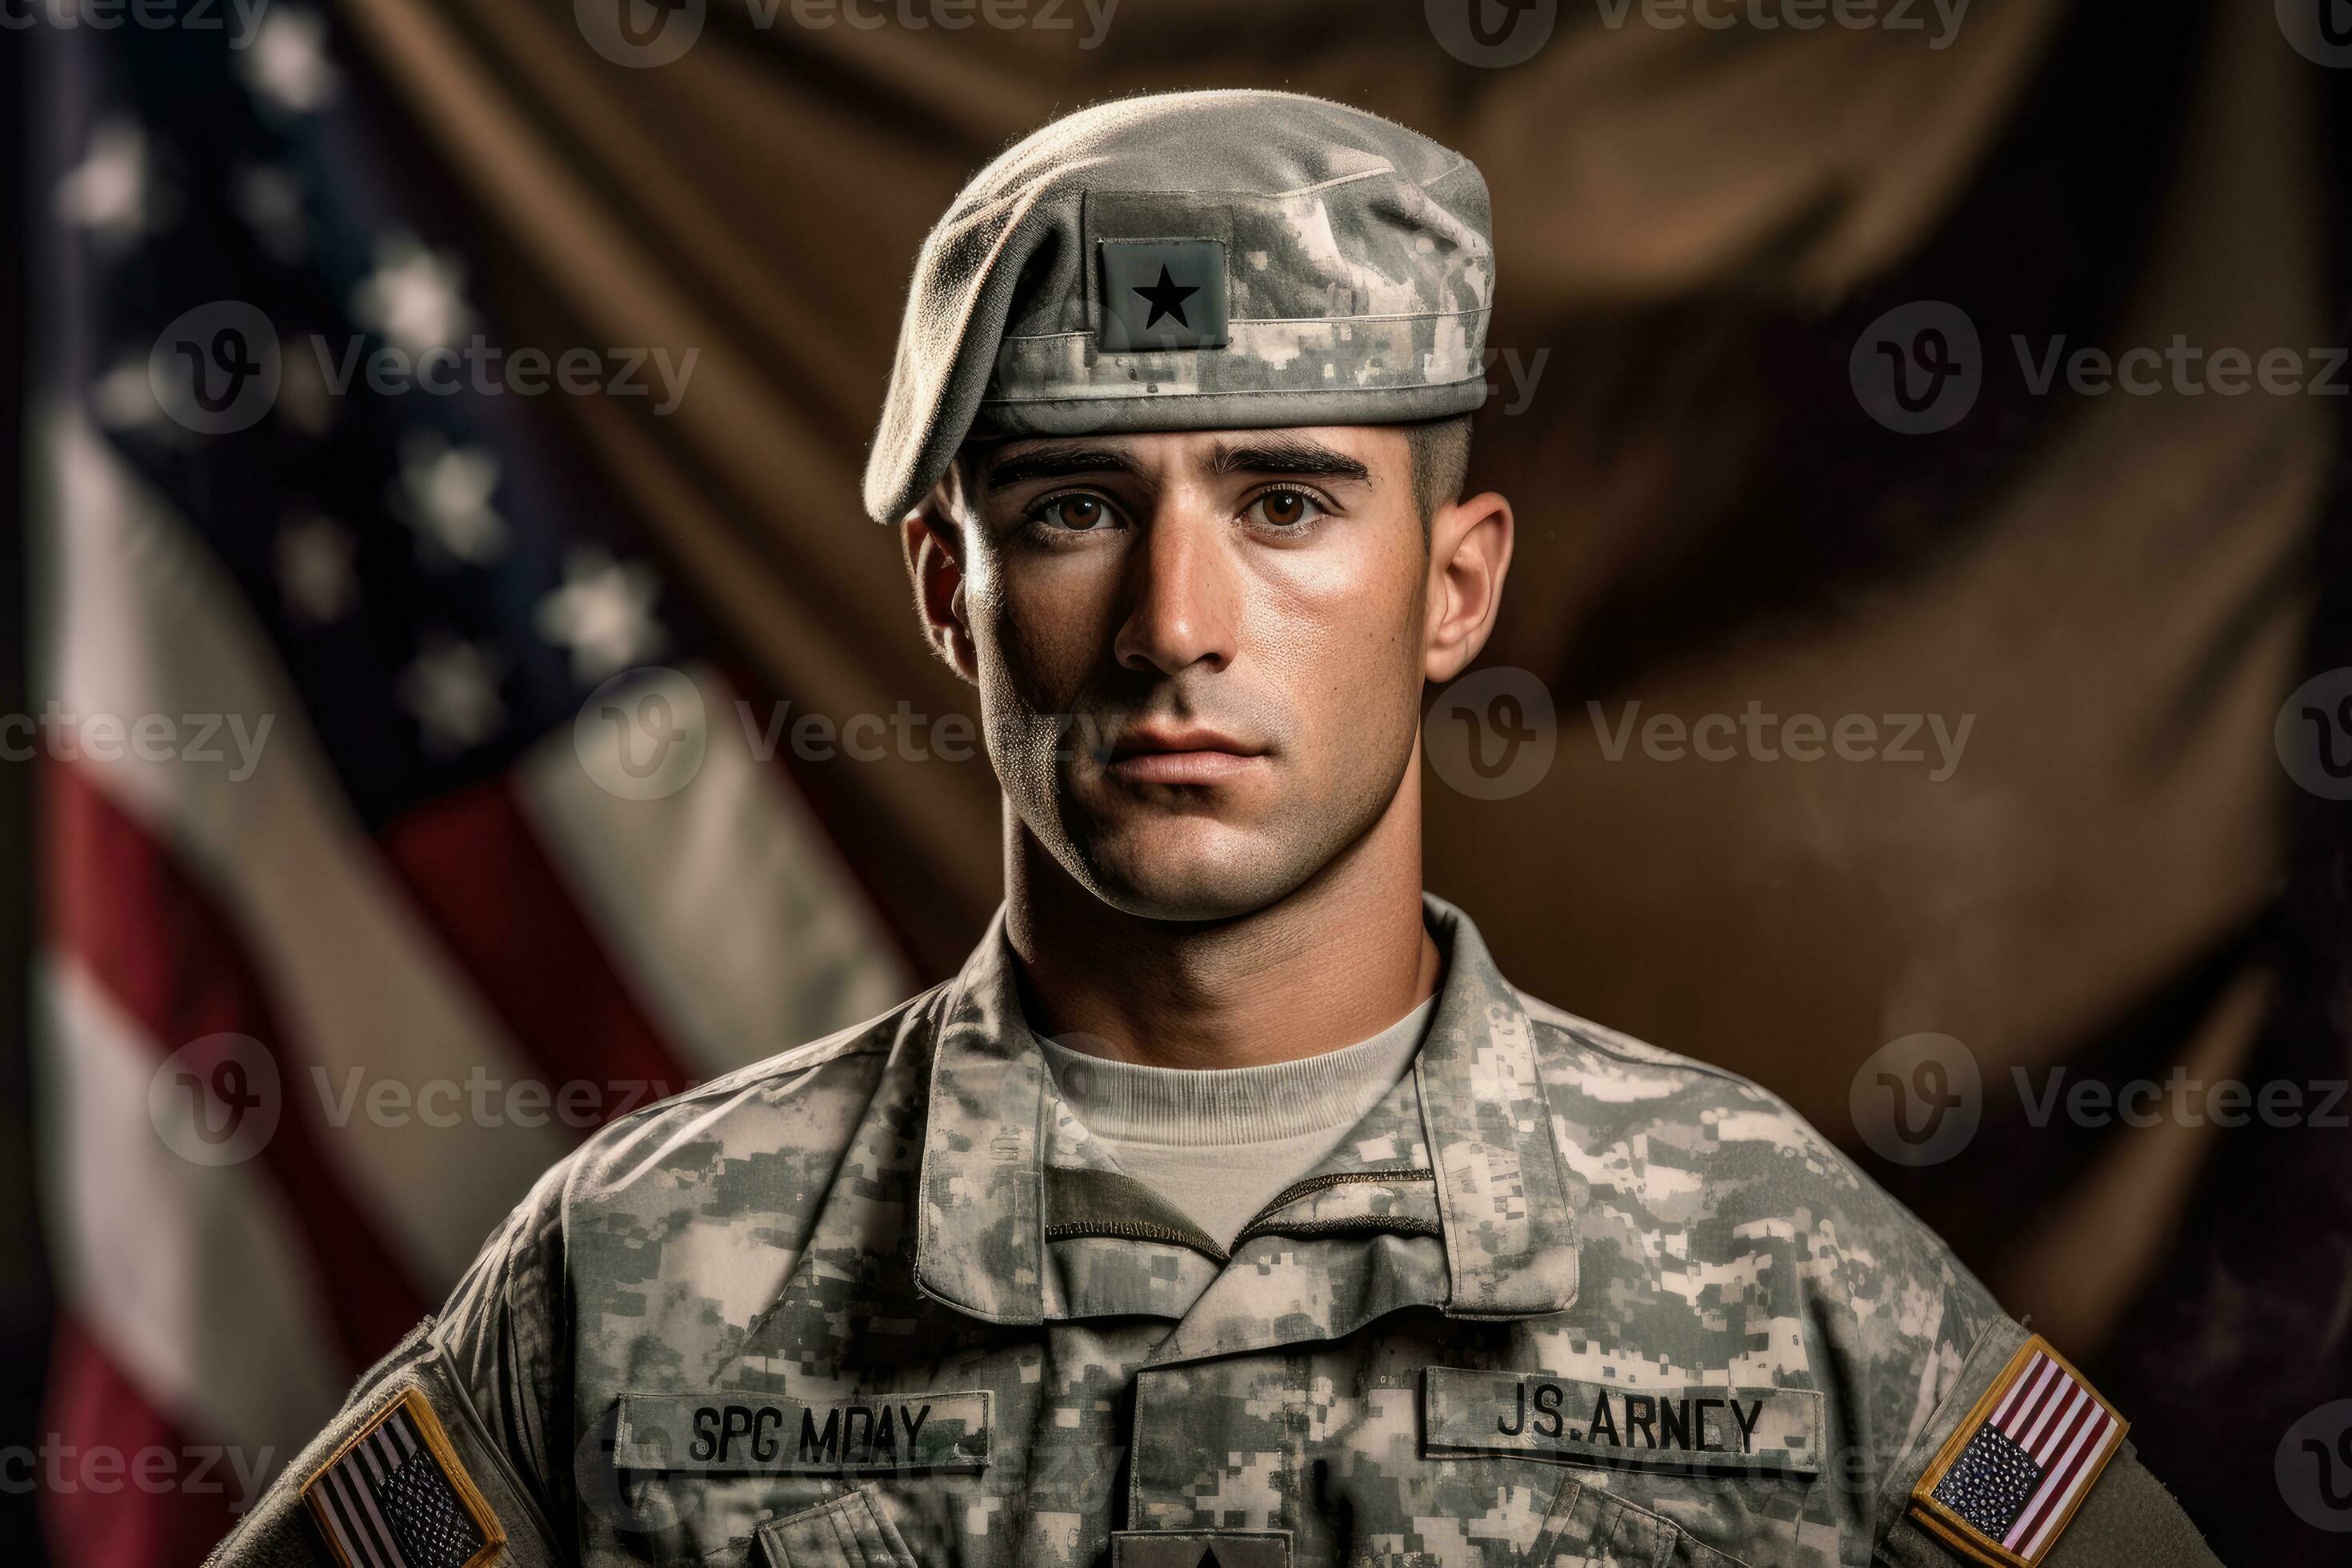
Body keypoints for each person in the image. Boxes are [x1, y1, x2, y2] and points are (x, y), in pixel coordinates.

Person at [209, 90, 2223, 1568]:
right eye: (1080, 507)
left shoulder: (1768, 1269)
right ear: (947, 588)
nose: (1178, 625)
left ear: (1456, 583)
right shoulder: (641, 1278)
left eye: (1285, 503)